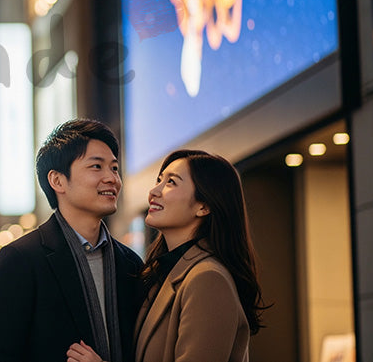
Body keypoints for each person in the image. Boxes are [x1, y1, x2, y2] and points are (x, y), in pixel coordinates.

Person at [66, 149, 266, 362]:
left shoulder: (208, 278)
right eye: (159, 180)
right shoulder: (164, 272)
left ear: (203, 206)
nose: (154, 191)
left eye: (171, 182)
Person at [0, 119, 143, 362]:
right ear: (57, 180)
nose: (112, 179)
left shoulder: (130, 265)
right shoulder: (19, 262)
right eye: (96, 167)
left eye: (114, 168)